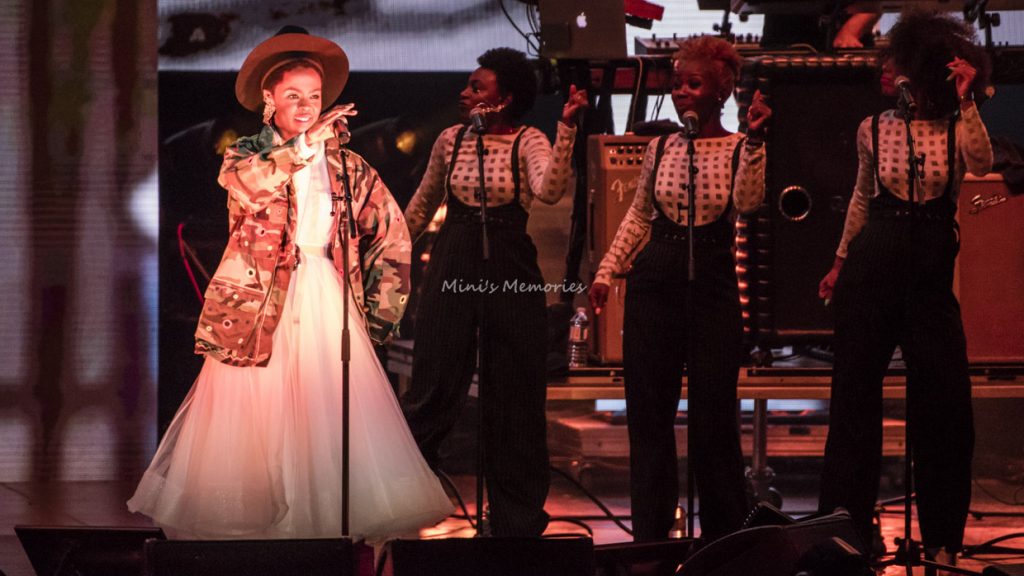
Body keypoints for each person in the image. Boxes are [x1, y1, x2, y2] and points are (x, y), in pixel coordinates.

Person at [128, 26, 453, 541]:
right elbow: (249, 188)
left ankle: (322, 535)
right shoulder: (245, 157)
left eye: (315, 97)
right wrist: (304, 146)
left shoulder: (347, 167)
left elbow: (392, 233)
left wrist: (379, 309)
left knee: (326, 418)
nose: (306, 106)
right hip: (259, 306)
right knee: (255, 417)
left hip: (324, 296)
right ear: (270, 99)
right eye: (294, 96)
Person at [817, 10, 993, 570]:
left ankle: (942, 538)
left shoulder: (955, 127)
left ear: (921, 67)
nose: (886, 69)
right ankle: (844, 534)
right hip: (873, 261)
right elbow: (861, 199)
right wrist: (840, 262)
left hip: (930, 268)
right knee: (853, 401)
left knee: (945, 404)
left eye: (895, 61)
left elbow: (982, 163)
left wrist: (967, 101)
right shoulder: (873, 127)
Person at [399, 47, 587, 537]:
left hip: (508, 262)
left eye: (476, 87)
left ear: (503, 99)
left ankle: (515, 520)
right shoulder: (450, 139)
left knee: (515, 396)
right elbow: (420, 206)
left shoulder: (529, 139)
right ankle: (403, 503)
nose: (464, 93)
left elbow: (549, 190)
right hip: (454, 257)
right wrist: (382, 256)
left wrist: (567, 128)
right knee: (434, 384)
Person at [589, 35, 770, 543]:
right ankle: (650, 542)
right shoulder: (662, 147)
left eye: (693, 84)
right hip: (654, 280)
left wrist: (756, 142)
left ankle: (723, 542)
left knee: (714, 421)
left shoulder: (740, 147)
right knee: (649, 418)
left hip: (712, 282)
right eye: (677, 84)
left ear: (721, 92)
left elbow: (748, 204)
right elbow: (638, 215)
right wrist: (606, 272)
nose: (681, 93)